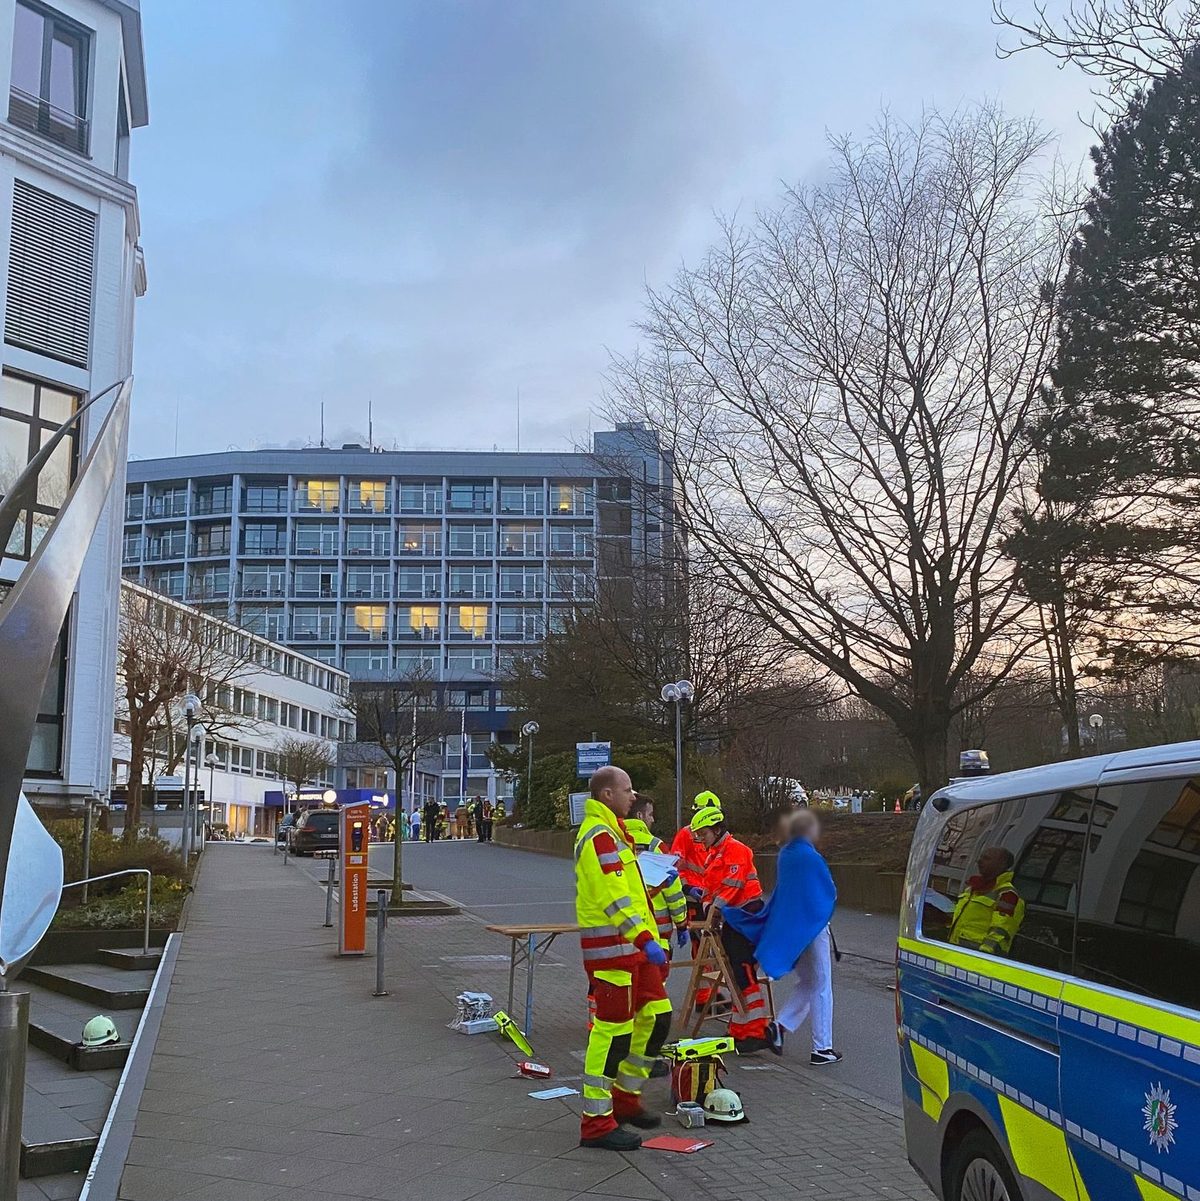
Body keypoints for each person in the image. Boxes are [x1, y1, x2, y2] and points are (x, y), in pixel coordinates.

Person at [574, 765, 673, 1152]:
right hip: (613, 952)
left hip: (632, 949)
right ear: (607, 796)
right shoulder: (598, 836)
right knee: (612, 1036)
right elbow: (613, 898)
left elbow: (632, 894)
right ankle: (596, 1124)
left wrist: (651, 941)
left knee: (658, 1018)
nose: (634, 796)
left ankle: (625, 1099)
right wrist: (647, 938)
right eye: (628, 789)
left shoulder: (615, 833)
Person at [725, 808, 840, 1065]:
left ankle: (780, 1027)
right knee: (821, 983)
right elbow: (827, 891)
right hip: (813, 925)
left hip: (793, 929)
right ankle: (822, 1047)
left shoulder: (786, 853)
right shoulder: (809, 856)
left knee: (809, 981)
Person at [691, 806, 771, 1053]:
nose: (700, 839)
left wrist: (713, 911)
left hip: (745, 915)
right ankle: (740, 1029)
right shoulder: (714, 855)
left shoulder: (737, 850)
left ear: (716, 829)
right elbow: (710, 888)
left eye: (703, 833)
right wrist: (708, 909)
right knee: (735, 973)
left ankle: (758, 1031)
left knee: (743, 971)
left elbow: (732, 887)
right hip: (732, 918)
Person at [624, 794, 689, 956]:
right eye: (650, 814)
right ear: (640, 816)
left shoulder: (614, 842)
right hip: (657, 932)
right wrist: (681, 924)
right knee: (656, 981)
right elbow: (673, 891)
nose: (652, 820)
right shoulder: (656, 846)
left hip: (625, 931)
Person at [948, 846, 1025, 957]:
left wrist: (983, 956)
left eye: (986, 858)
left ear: (1001, 864)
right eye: (981, 857)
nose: (979, 861)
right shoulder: (973, 889)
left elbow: (1001, 933)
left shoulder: (1008, 895)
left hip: (976, 961)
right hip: (955, 954)